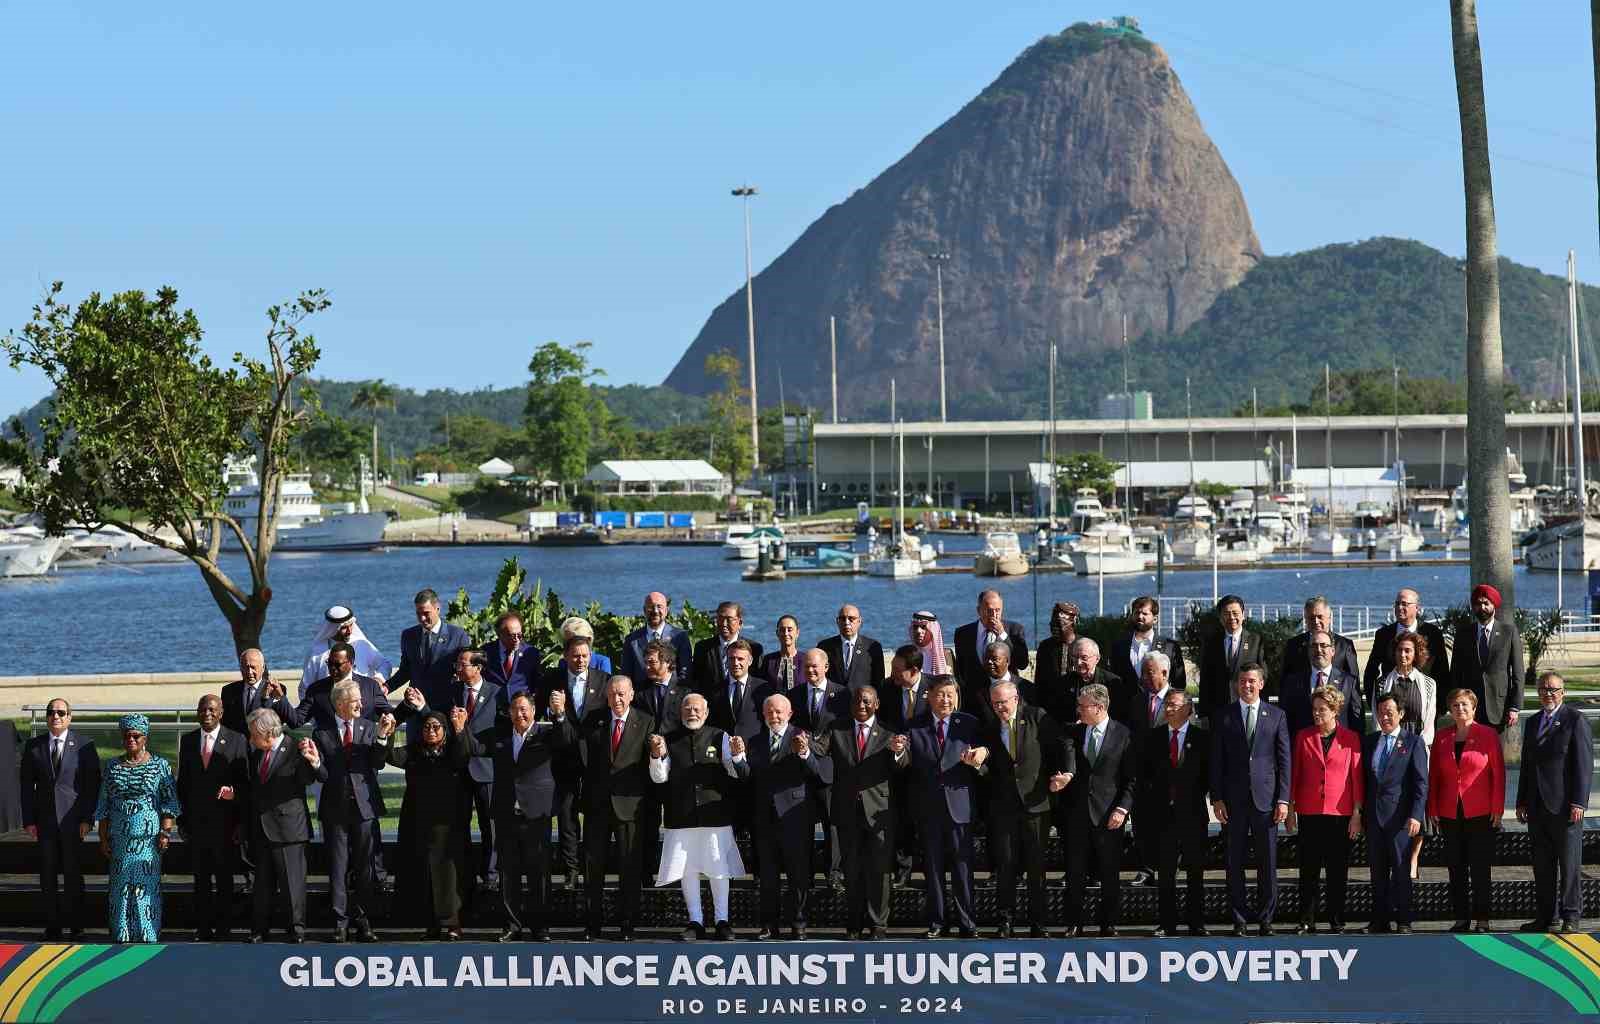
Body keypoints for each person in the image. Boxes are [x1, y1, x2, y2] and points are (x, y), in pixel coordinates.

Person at [458, 688, 568, 942]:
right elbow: (473, 748)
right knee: (509, 873)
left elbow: (566, 740)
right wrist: (462, 727)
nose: (520, 714)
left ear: (533, 712)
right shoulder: (500, 736)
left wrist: (560, 714)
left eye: (524, 709)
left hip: (537, 813)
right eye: (515, 710)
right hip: (506, 812)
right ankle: (512, 925)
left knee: (539, 873)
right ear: (508, 713)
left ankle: (540, 926)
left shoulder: (547, 734)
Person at [977, 679, 1070, 938]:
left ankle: (1038, 923)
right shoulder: (990, 727)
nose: (999, 708)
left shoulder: (1037, 717)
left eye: (1003, 702)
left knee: (1036, 866)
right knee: (1005, 866)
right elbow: (989, 772)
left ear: (1016, 698)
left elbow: (1061, 744)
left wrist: (1065, 774)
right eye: (995, 703)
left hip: (1036, 804)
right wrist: (976, 765)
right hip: (1004, 808)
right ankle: (1005, 921)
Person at [650, 694, 747, 940]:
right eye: (687, 708)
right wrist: (657, 756)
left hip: (714, 814)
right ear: (680, 712)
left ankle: (722, 920)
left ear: (705, 712)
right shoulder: (668, 739)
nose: (692, 712)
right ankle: (695, 921)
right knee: (687, 869)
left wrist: (737, 756)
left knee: (718, 868)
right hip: (680, 815)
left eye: (697, 709)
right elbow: (659, 778)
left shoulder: (721, 736)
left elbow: (736, 773)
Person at [571, 676, 658, 940]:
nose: (617, 699)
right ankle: (592, 924)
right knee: (592, 867)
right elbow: (583, 758)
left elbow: (650, 764)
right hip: (597, 805)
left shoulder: (646, 721)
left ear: (631, 694)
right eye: (612, 695)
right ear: (606, 697)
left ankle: (627, 924)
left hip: (630, 805)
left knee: (629, 867)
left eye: (622, 694)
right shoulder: (594, 720)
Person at [742, 693, 832, 939]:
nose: (774, 716)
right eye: (770, 712)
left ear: (790, 713)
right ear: (763, 715)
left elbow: (819, 774)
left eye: (779, 712)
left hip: (796, 817)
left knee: (798, 873)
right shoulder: (756, 741)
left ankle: (798, 923)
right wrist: (738, 759)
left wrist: (804, 753)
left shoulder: (802, 736)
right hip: (764, 818)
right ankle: (769, 925)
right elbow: (748, 776)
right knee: (767, 876)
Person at [1210, 662, 1290, 936]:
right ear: (1237, 684)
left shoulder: (1277, 715)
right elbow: (1216, 761)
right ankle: (1239, 919)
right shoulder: (1224, 716)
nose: (1247, 685)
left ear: (1261, 684)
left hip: (1266, 801)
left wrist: (1283, 799)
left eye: (1252, 681)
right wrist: (1217, 798)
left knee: (1267, 864)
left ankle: (1266, 919)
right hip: (1233, 802)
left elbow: (1284, 760)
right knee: (1234, 862)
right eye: (1242, 681)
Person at [825, 686, 910, 939]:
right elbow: (818, 749)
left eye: (866, 701)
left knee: (879, 871)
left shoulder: (889, 732)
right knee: (852, 870)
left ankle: (878, 924)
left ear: (877, 703)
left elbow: (904, 764)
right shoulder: (837, 729)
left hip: (878, 813)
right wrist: (804, 747)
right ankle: (854, 924)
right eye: (857, 701)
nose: (861, 705)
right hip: (847, 811)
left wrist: (898, 752)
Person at [312, 679, 388, 942]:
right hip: (335, 810)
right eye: (355, 700)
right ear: (341, 704)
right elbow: (322, 775)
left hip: (364, 808)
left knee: (364, 868)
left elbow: (377, 762)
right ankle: (340, 922)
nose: (361, 704)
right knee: (338, 868)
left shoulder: (369, 728)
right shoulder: (322, 733)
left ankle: (364, 921)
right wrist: (313, 762)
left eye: (360, 699)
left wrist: (381, 738)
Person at [907, 676, 983, 938]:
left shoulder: (969, 724)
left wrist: (979, 760)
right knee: (934, 869)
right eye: (941, 694)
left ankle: (967, 921)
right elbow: (905, 765)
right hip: (928, 809)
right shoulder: (914, 727)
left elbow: (985, 764)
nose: (946, 700)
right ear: (928, 696)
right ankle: (937, 922)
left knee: (963, 870)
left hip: (959, 808)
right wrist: (897, 752)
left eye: (951, 694)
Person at [1516, 671, 1592, 933]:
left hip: (1565, 807)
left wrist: (1579, 802)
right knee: (1542, 866)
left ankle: (1571, 915)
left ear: (1563, 692)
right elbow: (1527, 764)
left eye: (1552, 689)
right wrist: (1522, 800)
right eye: (1542, 689)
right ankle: (1547, 916)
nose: (1547, 694)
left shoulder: (1575, 719)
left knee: (1569, 865)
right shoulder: (1534, 721)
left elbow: (1583, 765)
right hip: (1537, 807)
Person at [384, 708, 470, 939]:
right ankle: (432, 923)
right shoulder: (415, 751)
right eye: (426, 727)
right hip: (418, 820)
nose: (431, 731)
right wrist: (389, 731)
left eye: (436, 727)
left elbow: (463, 756)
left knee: (448, 874)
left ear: (444, 730)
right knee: (425, 873)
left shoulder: (453, 749)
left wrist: (459, 729)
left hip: (446, 821)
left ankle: (453, 923)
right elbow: (390, 755)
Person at [94, 713, 180, 942]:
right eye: (126, 736)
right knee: (121, 887)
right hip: (119, 838)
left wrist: (165, 832)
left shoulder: (160, 765)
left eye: (136, 736)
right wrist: (102, 838)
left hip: (148, 839)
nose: (130, 739)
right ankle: (121, 932)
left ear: (145, 738)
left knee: (145, 886)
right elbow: (104, 804)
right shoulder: (112, 766)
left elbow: (169, 803)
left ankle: (147, 933)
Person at [21, 697, 100, 939]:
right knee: (48, 875)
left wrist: (88, 818)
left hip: (73, 822)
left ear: (69, 717)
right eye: (51, 712)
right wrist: (29, 820)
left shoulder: (85, 745)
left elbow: (92, 785)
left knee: (73, 874)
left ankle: (77, 926)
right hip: (44, 823)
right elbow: (26, 786)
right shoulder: (34, 746)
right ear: (46, 717)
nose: (56, 716)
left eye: (61, 712)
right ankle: (52, 926)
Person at [1061, 683, 1136, 937]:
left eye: (1083, 706)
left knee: (1109, 872)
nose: (1078, 710)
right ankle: (1075, 922)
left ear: (1100, 707)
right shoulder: (1072, 732)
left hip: (1108, 816)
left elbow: (1131, 779)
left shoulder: (1123, 734)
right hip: (1077, 815)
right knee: (1075, 872)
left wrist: (1122, 809)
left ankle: (1108, 923)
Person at [1288, 685, 1363, 935]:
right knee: (1308, 869)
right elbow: (1294, 774)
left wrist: (1356, 814)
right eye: (1314, 709)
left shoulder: (1351, 739)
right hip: (1309, 812)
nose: (1317, 714)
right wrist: (1290, 809)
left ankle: (1336, 920)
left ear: (1335, 711)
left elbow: (1356, 779)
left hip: (1340, 814)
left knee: (1337, 871)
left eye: (1322, 709)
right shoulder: (1303, 736)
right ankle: (1306, 919)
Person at [245, 708, 325, 943]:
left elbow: (308, 779)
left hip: (289, 829)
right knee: (262, 886)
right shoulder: (258, 753)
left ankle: (296, 930)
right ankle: (260, 930)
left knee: (292, 885)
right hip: (262, 829)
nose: (250, 739)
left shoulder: (295, 748)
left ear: (268, 732)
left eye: (253, 734)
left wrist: (313, 761)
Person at [1428, 688, 1505, 933]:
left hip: (1480, 811)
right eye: (1455, 706)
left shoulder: (1488, 735)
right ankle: (1461, 918)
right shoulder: (1441, 737)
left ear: (1474, 708)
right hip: (1450, 812)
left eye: (1464, 705)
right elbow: (1434, 777)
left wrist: (1497, 808)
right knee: (1456, 867)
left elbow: (1498, 774)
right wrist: (1433, 807)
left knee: (1480, 866)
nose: (1459, 709)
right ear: (1450, 710)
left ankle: (1482, 917)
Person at [1137, 689, 1210, 937]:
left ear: (1189, 709)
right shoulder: (1153, 738)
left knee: (1195, 873)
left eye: (1175, 705)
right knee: (1166, 873)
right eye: (1167, 705)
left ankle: (1196, 922)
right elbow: (1144, 776)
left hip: (1192, 814)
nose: (1169, 709)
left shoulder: (1202, 738)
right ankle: (1167, 923)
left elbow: (1208, 777)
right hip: (1163, 817)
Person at [177, 694, 248, 940]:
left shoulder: (237, 740)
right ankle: (204, 927)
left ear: (221, 713)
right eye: (202, 709)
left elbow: (244, 783)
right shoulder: (187, 741)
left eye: (212, 709)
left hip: (226, 825)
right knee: (201, 879)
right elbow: (183, 784)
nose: (207, 713)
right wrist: (181, 820)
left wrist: (238, 815)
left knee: (225, 879)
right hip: (197, 824)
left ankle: (224, 928)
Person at [548, 633, 611, 890]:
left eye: (585, 655)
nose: (580, 660)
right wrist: (557, 712)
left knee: (595, 816)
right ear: (566, 657)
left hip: (596, 758)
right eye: (575, 655)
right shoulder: (553, 681)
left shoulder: (603, 680)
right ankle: (571, 870)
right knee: (567, 816)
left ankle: (593, 869)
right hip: (565, 757)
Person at [1362, 693, 1428, 933]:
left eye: (1390, 711)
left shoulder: (1413, 742)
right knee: (1377, 872)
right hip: (1374, 818)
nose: (1385, 716)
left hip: (1401, 819)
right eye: (1380, 712)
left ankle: (1404, 920)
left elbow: (1421, 783)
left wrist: (1416, 815)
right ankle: (1380, 920)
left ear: (1401, 714)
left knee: (1401, 870)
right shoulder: (1369, 742)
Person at [881, 645, 941, 889]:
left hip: (927, 765)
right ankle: (903, 869)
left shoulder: (934, 687)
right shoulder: (887, 688)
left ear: (914, 670)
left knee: (927, 823)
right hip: (898, 766)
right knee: (902, 821)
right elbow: (883, 722)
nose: (893, 674)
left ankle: (931, 872)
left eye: (898, 670)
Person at [789, 648, 848, 890]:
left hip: (828, 769)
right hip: (801, 769)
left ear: (826, 667)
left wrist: (813, 744)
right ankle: (806, 874)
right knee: (802, 827)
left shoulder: (842, 694)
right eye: (806, 667)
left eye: (815, 666)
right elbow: (790, 725)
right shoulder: (794, 694)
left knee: (832, 824)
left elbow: (843, 728)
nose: (811, 671)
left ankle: (834, 874)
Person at [444, 650, 503, 893]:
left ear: (478, 667)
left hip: (486, 769)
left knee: (490, 825)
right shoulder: (452, 692)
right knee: (459, 824)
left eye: (463, 664)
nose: (458, 668)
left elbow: (500, 731)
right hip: (458, 769)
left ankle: (491, 873)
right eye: (457, 663)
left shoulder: (497, 693)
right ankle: (463, 873)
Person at [1452, 583, 1523, 733]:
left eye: (1486, 603)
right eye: (1478, 603)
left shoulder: (1508, 632)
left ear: (1494, 605)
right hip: (1469, 708)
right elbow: (1456, 672)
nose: (1482, 607)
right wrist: (1455, 704)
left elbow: (1518, 673)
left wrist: (1514, 706)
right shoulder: (1463, 634)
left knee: (1495, 754)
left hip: (1499, 708)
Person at [1363, 588, 1452, 705]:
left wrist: (1439, 706)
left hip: (1424, 702)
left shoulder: (1432, 634)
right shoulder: (1383, 635)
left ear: (1417, 608)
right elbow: (1371, 670)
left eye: (1404, 604)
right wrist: (1373, 701)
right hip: (1391, 704)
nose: (1399, 607)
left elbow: (1442, 671)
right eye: (1397, 604)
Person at [389, 588, 472, 711]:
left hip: (445, 708)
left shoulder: (458, 636)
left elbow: (465, 672)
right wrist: (386, 687)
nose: (422, 618)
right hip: (415, 709)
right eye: (418, 614)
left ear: (437, 609)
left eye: (426, 613)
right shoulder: (408, 636)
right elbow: (405, 671)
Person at [286, 642, 393, 732]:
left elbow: (389, 714)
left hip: (363, 751)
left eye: (337, 665)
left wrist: (407, 704)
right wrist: (279, 698)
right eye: (329, 663)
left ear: (351, 663)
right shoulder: (316, 690)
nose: (332, 668)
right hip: (329, 753)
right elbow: (296, 720)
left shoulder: (370, 686)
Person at [1107, 596, 1187, 715]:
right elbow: (1112, 679)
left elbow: (1179, 682)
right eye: (1136, 613)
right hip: (1125, 713)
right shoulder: (1119, 646)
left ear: (1155, 619)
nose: (1140, 616)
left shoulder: (1170, 647)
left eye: (1144, 613)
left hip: (1161, 713)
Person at [1278, 630, 1364, 738]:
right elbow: (1285, 721)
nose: (1318, 650)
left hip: (1339, 748)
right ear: (1309, 651)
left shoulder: (1349, 682)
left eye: (1323, 646)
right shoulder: (1292, 682)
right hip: (1304, 748)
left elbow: (1357, 722)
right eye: (1314, 646)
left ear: (1332, 651)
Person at [300, 605, 394, 701]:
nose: (349, 631)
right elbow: (305, 688)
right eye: (344, 627)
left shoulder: (362, 645)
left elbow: (385, 664)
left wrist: (378, 679)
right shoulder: (316, 652)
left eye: (351, 625)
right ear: (333, 629)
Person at [951, 590, 1029, 705]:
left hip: (1005, 698)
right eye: (989, 611)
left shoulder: (1014, 630)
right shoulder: (963, 633)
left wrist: (1003, 635)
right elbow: (961, 669)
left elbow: (1022, 663)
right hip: (974, 700)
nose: (994, 615)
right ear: (979, 610)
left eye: (997, 610)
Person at [1198, 595, 1260, 723]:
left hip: (1248, 710)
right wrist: (1203, 714)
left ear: (1243, 615)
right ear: (1220, 618)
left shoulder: (1256, 641)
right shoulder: (1211, 642)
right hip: (1218, 712)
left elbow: (1263, 676)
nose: (1231, 617)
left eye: (1235, 613)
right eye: (1226, 614)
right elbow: (1205, 679)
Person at [620, 592, 694, 687]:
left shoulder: (680, 637)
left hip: (673, 696)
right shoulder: (631, 640)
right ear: (644, 610)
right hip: (640, 698)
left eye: (659, 607)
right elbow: (626, 675)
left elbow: (685, 671)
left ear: (666, 610)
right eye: (651, 606)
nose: (655, 611)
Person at [1280, 597, 1360, 682]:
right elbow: (1285, 680)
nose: (1316, 621)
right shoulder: (1293, 645)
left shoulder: (1345, 646)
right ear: (1306, 620)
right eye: (1311, 618)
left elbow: (1353, 682)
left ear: (1329, 618)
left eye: (1320, 617)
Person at [691, 602, 764, 693]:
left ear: (740, 623)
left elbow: (758, 680)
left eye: (729, 619)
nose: (724, 624)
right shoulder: (703, 648)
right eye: (720, 618)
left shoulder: (754, 649)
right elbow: (696, 680)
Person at [221, 648, 289, 737]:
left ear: (263, 667)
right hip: (237, 747)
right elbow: (225, 723)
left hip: (264, 744)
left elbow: (281, 720)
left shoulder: (276, 689)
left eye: (253, 667)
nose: (249, 672)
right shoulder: (228, 691)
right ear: (241, 668)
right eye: (246, 667)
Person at [818, 604, 885, 692]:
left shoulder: (873, 647)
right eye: (842, 619)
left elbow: (879, 681)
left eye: (851, 619)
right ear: (837, 621)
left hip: (861, 703)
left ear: (859, 621)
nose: (846, 622)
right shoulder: (825, 646)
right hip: (833, 702)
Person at [1031, 602, 1080, 706]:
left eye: (1059, 624)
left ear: (1073, 623)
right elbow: (1039, 682)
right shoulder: (1045, 647)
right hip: (1049, 708)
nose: (1054, 628)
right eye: (1052, 624)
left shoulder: (1083, 645)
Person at [481, 611, 536, 699]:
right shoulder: (486, 652)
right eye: (512, 636)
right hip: (494, 706)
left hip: (520, 707)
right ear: (500, 634)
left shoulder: (530, 653)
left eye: (519, 635)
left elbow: (535, 683)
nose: (517, 640)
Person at [759, 614, 804, 690]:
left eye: (789, 630)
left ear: (797, 633)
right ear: (777, 633)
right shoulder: (768, 660)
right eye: (782, 630)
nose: (786, 633)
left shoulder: (805, 660)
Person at [908, 610, 949, 677]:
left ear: (933, 630)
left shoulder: (948, 657)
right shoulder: (905, 657)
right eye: (915, 627)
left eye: (923, 627)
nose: (918, 631)